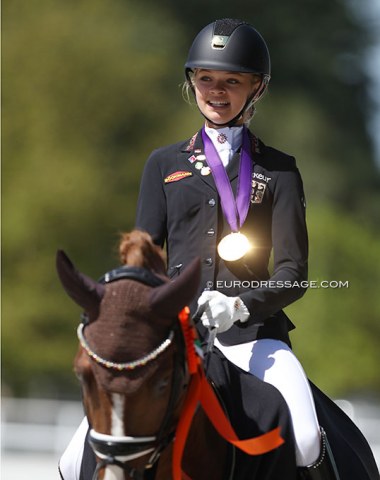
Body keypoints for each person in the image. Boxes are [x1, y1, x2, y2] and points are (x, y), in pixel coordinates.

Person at [134, 18, 340, 479]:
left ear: (257, 88)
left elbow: (293, 273)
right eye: (205, 78)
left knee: (306, 437)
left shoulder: (280, 171)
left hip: (254, 337)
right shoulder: (163, 164)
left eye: (232, 80)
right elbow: (141, 260)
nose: (217, 91)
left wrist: (240, 306)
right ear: (192, 83)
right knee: (74, 455)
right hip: (176, 337)